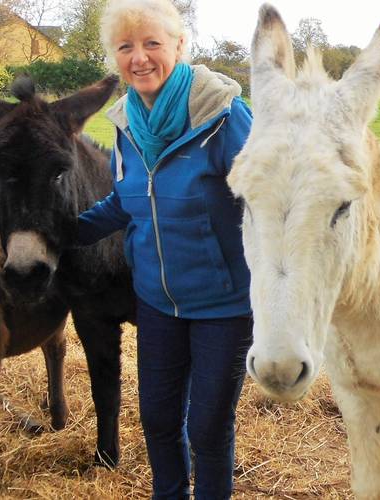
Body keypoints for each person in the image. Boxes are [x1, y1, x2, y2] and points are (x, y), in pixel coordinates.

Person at [76, 0, 253, 498]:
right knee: (156, 418)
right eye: (125, 46)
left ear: (179, 45)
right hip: (156, 301)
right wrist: (70, 232)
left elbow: (268, 193)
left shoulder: (221, 117)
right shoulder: (127, 121)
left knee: (207, 428)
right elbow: (128, 198)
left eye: (152, 42)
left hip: (224, 303)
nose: (139, 57)